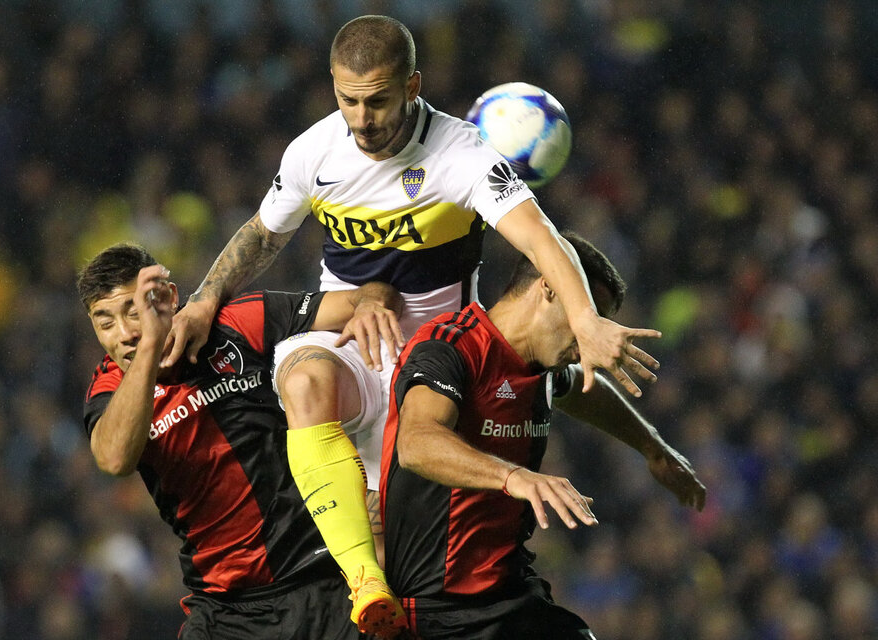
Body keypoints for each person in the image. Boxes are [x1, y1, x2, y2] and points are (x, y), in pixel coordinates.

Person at [160, 14, 661, 636]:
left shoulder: (462, 154)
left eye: (378, 101)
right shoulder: (314, 152)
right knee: (304, 380)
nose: (363, 119)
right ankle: (363, 585)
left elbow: (541, 238)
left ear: (412, 85)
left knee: (416, 546)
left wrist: (585, 321)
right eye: (349, 100)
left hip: (433, 364)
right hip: (349, 339)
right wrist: (207, 298)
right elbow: (263, 233)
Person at [379, 233, 707, 639]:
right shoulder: (451, 345)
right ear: (550, 286)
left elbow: (584, 392)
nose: (589, 343)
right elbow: (416, 443)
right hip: (432, 605)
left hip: (509, 593)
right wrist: (515, 476)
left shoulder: (542, 368)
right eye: (588, 319)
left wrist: (652, 446)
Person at [76, 243, 406, 639]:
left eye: (135, 311)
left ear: (169, 298)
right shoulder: (111, 391)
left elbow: (369, 296)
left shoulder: (236, 324)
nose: (126, 333)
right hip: (227, 607)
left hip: (327, 582)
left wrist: (371, 304)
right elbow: (114, 460)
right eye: (105, 322)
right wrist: (150, 346)